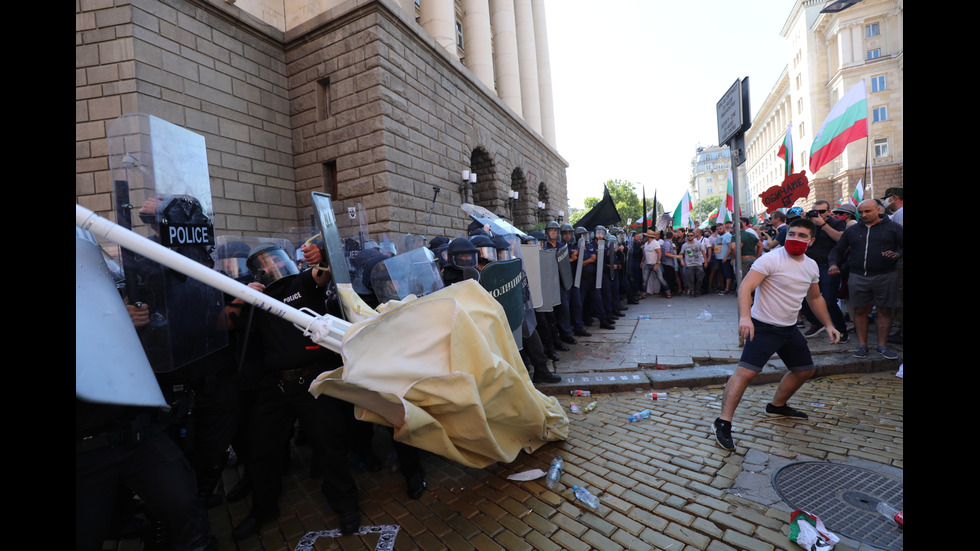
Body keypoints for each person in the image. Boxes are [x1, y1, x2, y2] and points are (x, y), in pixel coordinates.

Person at [232, 243, 363, 539]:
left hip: (312, 380)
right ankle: (263, 509)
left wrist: (322, 255)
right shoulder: (254, 297)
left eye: (275, 259)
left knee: (329, 443)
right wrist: (241, 296)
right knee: (261, 449)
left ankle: (346, 503)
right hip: (274, 384)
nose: (271, 266)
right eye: (263, 264)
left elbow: (322, 274)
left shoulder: (301, 283)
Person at [713, 218, 841, 452]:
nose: (795, 238)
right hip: (763, 327)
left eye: (802, 236)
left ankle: (777, 405)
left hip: (789, 329)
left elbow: (814, 298)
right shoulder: (770, 259)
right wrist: (745, 317)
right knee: (745, 373)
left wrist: (829, 324)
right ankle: (723, 422)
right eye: (792, 234)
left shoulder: (811, 265)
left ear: (811, 241)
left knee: (805, 369)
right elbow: (745, 288)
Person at [828, 199, 903, 360]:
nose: (863, 215)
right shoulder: (852, 230)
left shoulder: (894, 228)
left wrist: (898, 254)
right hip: (858, 276)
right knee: (860, 310)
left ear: (878, 210)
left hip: (886, 275)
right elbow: (838, 249)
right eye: (860, 212)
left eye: (867, 211)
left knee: (884, 310)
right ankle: (862, 346)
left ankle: (882, 346)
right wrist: (833, 264)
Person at [799, 201, 849, 343]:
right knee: (802, 297)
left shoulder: (836, 223)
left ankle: (841, 330)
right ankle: (817, 322)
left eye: (822, 212)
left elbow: (840, 239)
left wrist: (822, 224)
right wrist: (805, 222)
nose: (818, 214)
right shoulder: (809, 225)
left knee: (829, 301)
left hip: (829, 265)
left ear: (828, 211)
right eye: (815, 212)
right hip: (809, 265)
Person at [679, 231, 708, 297]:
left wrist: (706, 262)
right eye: (688, 236)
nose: (690, 237)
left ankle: (697, 290)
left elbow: (703, 253)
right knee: (690, 279)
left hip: (699, 264)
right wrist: (681, 261)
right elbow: (681, 254)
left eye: (691, 235)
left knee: (700, 277)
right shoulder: (684, 245)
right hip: (689, 264)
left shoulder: (698, 244)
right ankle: (692, 291)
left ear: (694, 236)